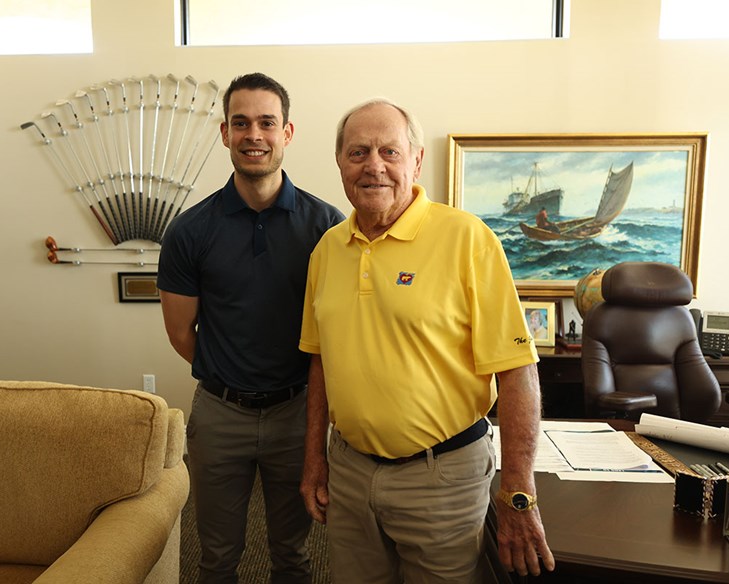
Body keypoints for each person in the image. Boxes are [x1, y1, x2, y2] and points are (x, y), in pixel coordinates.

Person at [299, 98, 554, 583]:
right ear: (339, 163)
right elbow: (320, 363)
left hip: (443, 477)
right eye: (358, 153)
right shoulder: (326, 250)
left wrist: (520, 491)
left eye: (389, 152)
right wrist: (315, 459)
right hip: (350, 472)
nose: (374, 165)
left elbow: (517, 369)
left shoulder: (469, 239)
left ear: (415, 161)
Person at [158, 72, 344, 584]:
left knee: (294, 555)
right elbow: (180, 332)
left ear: (287, 132)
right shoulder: (189, 230)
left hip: (297, 416)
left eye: (267, 122)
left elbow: (338, 330)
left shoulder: (326, 226)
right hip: (220, 416)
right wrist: (230, 373)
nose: (253, 135)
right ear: (224, 133)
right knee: (216, 557)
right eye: (241, 123)